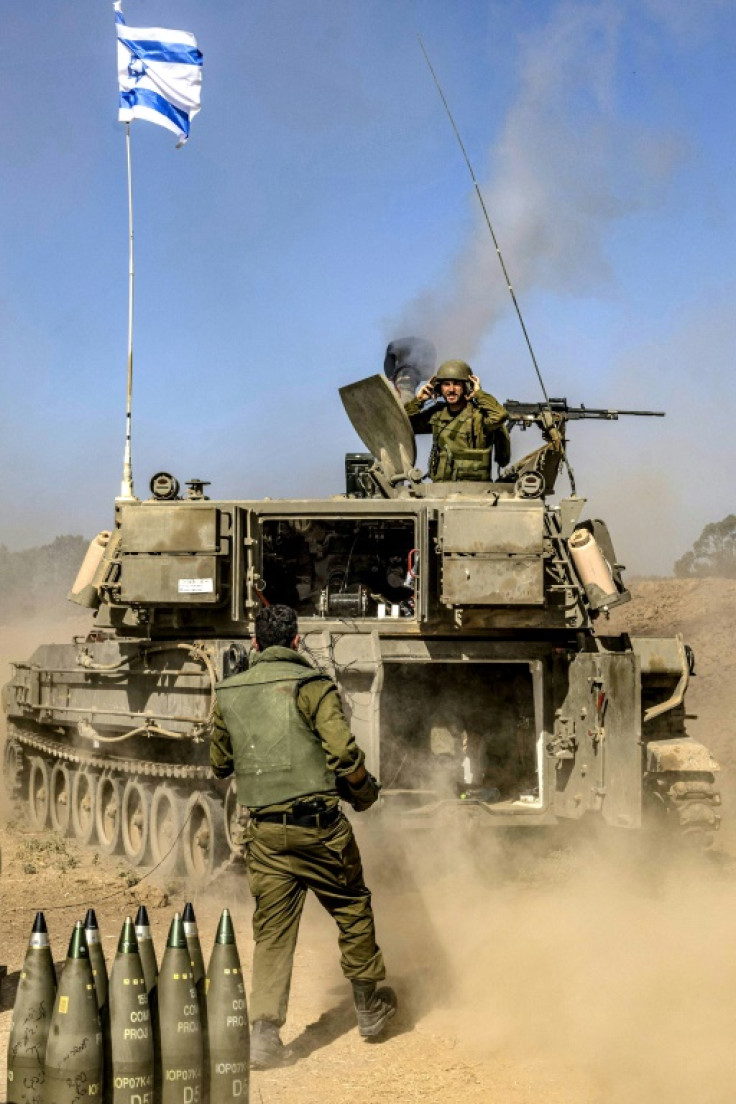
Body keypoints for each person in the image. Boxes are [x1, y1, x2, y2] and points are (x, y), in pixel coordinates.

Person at [210, 604, 396, 1069]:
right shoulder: (313, 687)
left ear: (255, 644)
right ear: (295, 642)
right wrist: (365, 793)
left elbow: (219, 765)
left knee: (272, 932)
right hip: (321, 830)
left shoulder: (228, 692)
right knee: (352, 907)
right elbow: (344, 755)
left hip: (265, 837)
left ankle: (264, 1036)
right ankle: (368, 1009)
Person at [403, 359, 511, 481]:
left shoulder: (479, 416)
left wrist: (479, 394)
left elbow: (500, 415)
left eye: (457, 384)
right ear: (438, 388)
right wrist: (418, 401)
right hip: (441, 490)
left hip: (475, 491)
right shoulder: (436, 414)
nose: (451, 389)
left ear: (467, 386)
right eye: (446, 384)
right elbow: (402, 425)